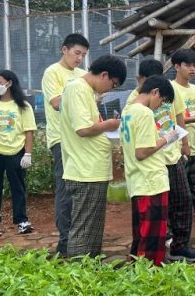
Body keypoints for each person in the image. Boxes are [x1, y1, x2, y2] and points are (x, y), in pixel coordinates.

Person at [60, 54, 126, 257]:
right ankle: (78, 272)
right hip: (84, 170)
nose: (110, 89)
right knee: (83, 227)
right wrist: (110, 124)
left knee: (93, 226)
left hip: (92, 169)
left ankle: (91, 266)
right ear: (104, 75)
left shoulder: (87, 91)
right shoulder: (77, 88)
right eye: (113, 84)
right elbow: (83, 129)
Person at [120, 75, 179, 266]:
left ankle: (137, 266)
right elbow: (142, 151)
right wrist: (167, 139)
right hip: (151, 181)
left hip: (137, 180)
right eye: (161, 101)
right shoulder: (144, 113)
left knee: (141, 232)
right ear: (155, 92)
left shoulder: (127, 111)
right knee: (153, 233)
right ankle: (149, 272)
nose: (160, 106)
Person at [41, 33, 89, 256]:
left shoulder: (82, 74)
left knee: (81, 188)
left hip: (81, 136)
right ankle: (65, 242)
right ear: (64, 49)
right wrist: (80, 96)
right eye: (77, 53)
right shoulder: (52, 72)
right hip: (61, 139)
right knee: (65, 189)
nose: (79, 58)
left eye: (83, 55)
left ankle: (79, 237)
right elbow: (57, 103)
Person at [0, 70, 37, 238]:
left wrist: (28, 154)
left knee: (18, 187)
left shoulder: (23, 107)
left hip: (16, 151)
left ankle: (21, 221)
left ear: (9, 83)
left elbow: (29, 132)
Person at [168, 49, 195, 262]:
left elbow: (191, 116)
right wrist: (184, 143)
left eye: (194, 65)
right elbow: (176, 119)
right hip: (176, 150)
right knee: (178, 197)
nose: (192, 69)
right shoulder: (170, 89)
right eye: (188, 65)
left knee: (194, 194)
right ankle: (172, 238)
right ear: (176, 66)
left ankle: (187, 238)